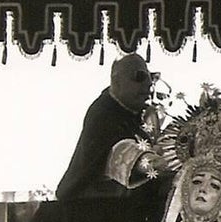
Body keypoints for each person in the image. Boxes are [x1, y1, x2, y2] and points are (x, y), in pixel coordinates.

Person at [55, 53, 164, 200]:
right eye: (139, 77)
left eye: (151, 78)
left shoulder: (136, 114)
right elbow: (129, 159)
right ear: (117, 81)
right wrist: (174, 161)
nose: (148, 85)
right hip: (86, 207)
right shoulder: (104, 114)